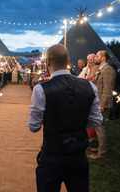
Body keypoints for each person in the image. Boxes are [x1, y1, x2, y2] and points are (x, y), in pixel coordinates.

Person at [28, 44, 103, 192]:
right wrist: (77, 120)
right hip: (78, 156)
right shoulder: (89, 86)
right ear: (68, 60)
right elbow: (96, 121)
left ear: (48, 62)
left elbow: (33, 127)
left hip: (51, 156)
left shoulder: (41, 89)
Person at [89, 50, 116, 159]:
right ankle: (97, 148)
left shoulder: (108, 69)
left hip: (101, 104)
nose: (96, 57)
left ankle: (102, 152)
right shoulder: (100, 69)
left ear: (103, 57)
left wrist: (102, 105)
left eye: (97, 56)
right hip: (97, 103)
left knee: (100, 128)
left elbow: (107, 90)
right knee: (97, 127)